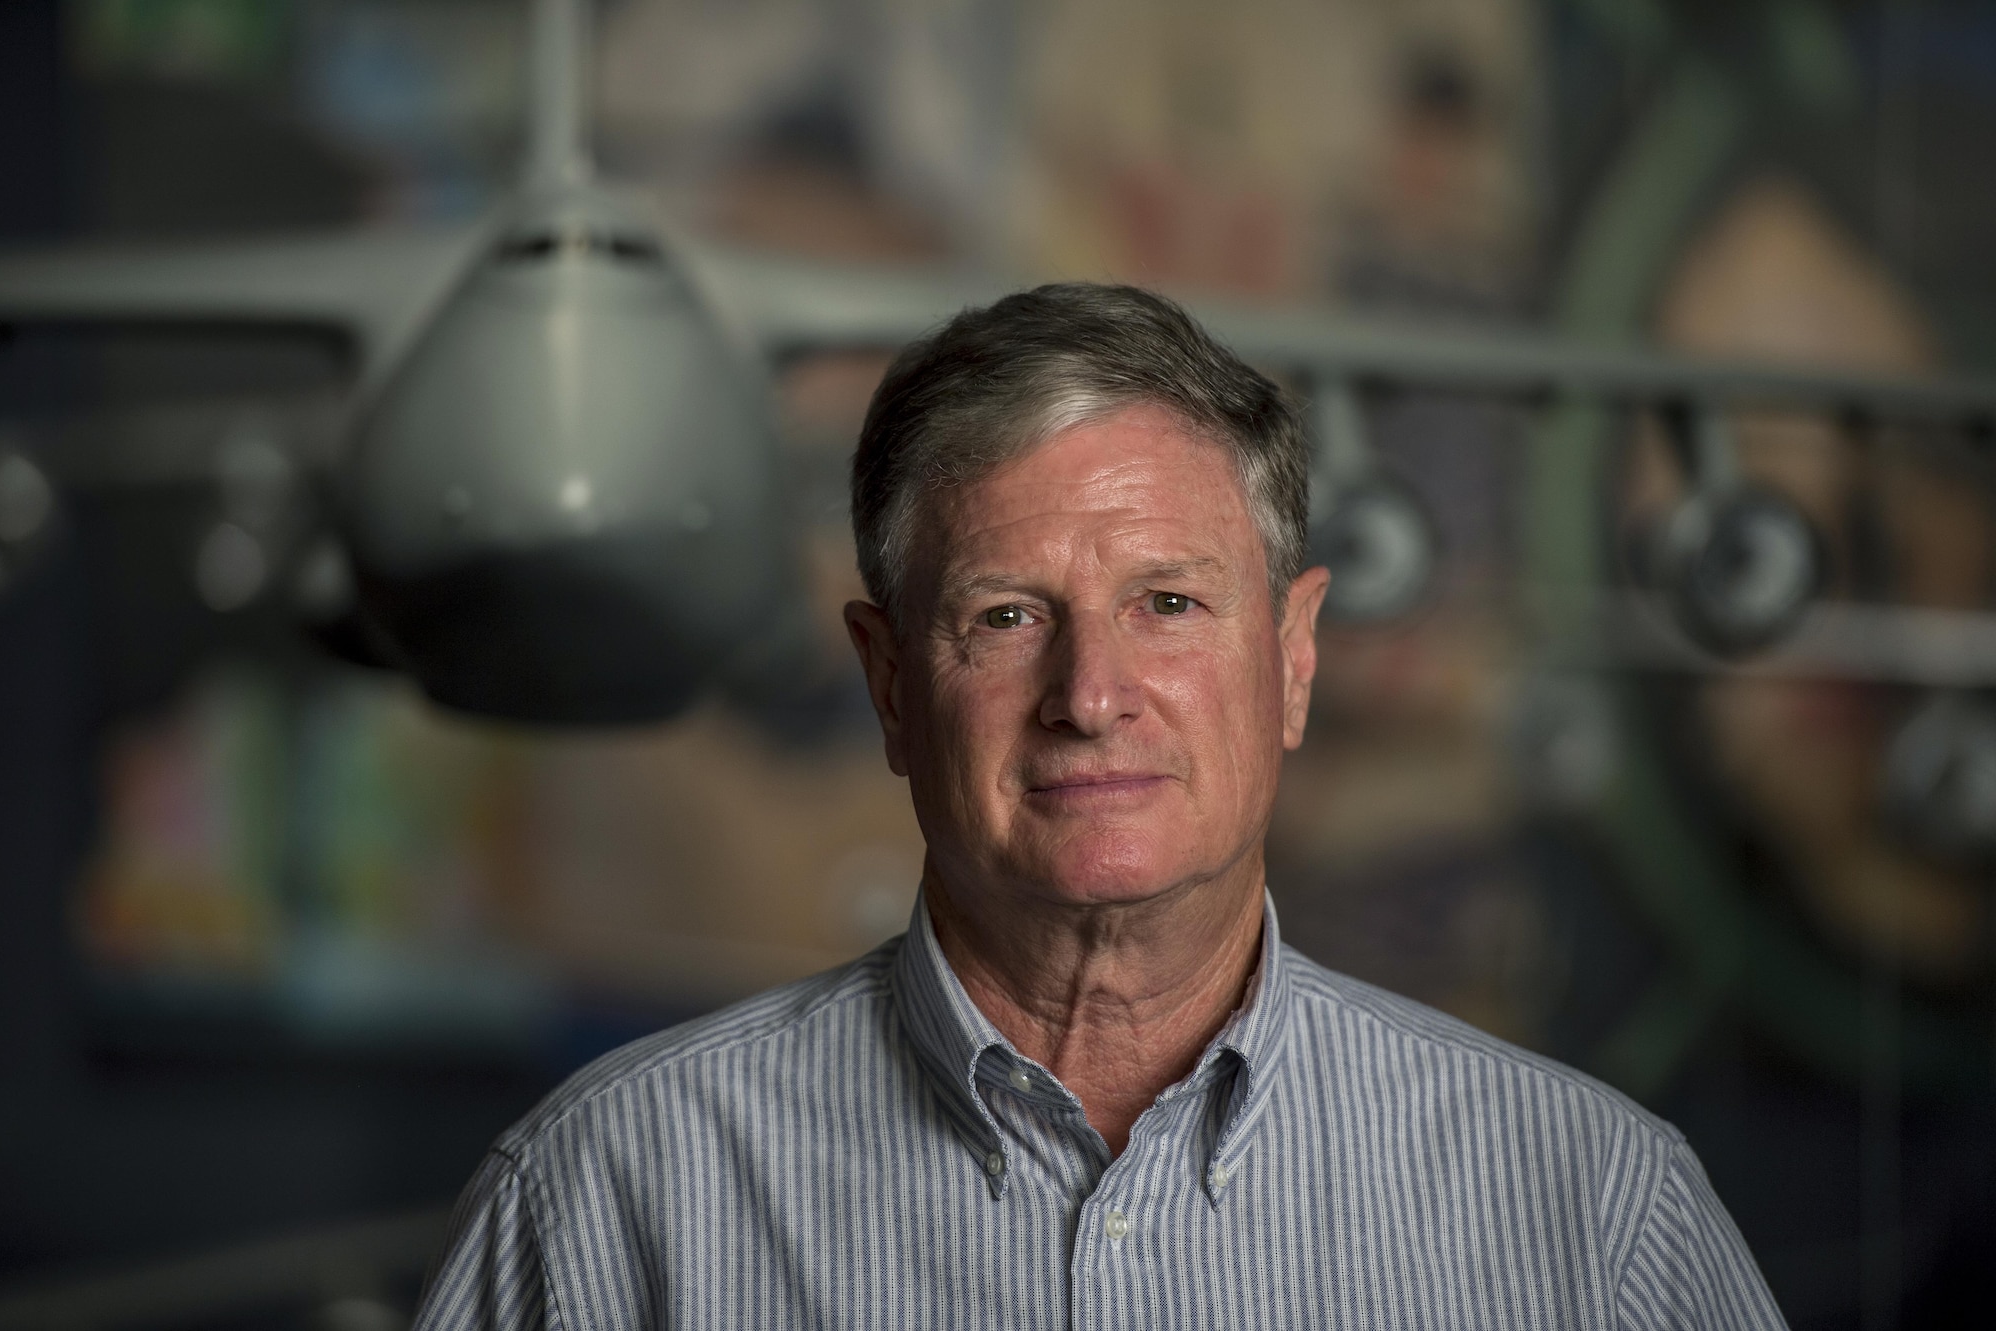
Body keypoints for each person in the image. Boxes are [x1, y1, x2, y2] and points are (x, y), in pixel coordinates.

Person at [414, 284, 1786, 1329]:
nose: (1093, 693)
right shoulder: (609, 1198)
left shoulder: (1595, 1215)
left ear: (1294, 661)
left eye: (1170, 605)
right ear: (891, 687)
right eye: (1006, 617)